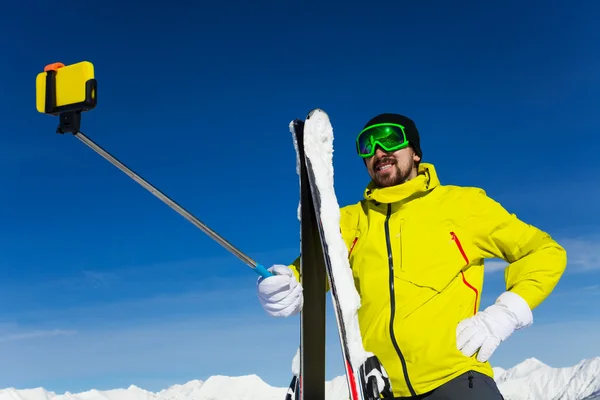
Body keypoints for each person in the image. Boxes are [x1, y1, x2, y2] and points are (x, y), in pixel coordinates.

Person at [256, 113, 567, 399]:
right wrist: (285, 286)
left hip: (457, 381)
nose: (378, 151)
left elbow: (544, 252)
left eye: (390, 138)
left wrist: (507, 312)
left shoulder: (463, 205)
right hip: (380, 387)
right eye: (368, 145)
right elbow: (307, 274)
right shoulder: (348, 222)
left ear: (415, 151)